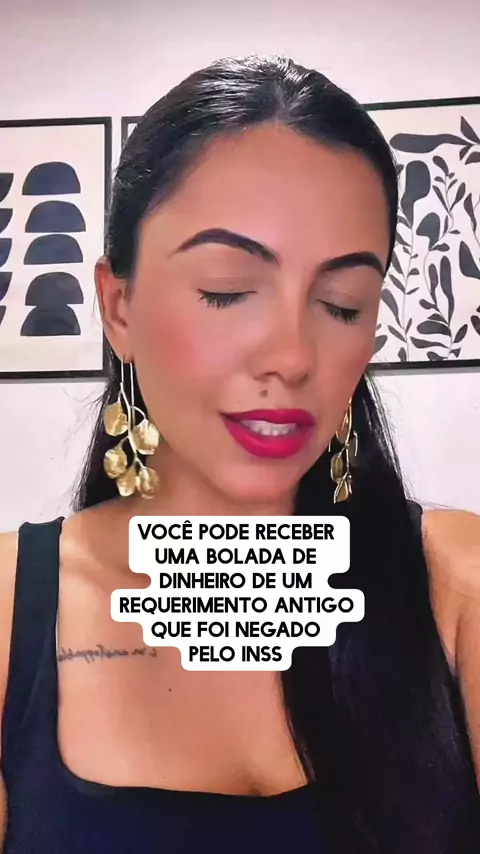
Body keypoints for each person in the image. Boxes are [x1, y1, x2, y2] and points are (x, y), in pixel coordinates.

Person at [0, 54, 479, 854]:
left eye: (342, 303)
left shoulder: (457, 586)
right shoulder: (13, 607)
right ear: (118, 307)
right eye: (226, 289)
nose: (291, 356)